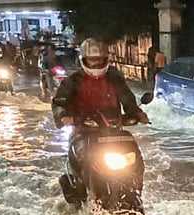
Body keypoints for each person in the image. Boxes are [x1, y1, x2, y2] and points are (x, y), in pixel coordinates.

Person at [52, 38, 149, 190]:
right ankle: (89, 191)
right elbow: (59, 102)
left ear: (106, 59)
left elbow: (127, 98)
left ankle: (136, 190)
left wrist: (137, 113)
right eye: (92, 60)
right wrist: (64, 116)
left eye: (99, 59)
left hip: (113, 132)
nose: (96, 63)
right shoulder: (72, 81)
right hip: (84, 132)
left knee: (135, 156)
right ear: (84, 60)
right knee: (86, 157)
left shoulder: (114, 78)